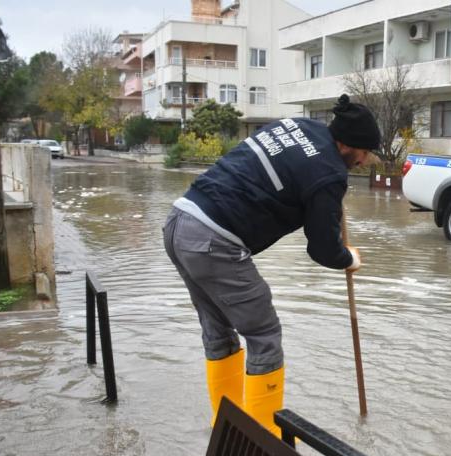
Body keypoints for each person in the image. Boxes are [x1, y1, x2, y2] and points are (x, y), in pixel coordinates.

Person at [163, 94, 381, 434]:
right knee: (264, 335)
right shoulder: (330, 174)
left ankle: (226, 431)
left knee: (219, 332)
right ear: (349, 145)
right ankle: (262, 445)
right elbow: (323, 249)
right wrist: (348, 259)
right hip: (214, 240)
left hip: (180, 222)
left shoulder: (297, 125)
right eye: (366, 153)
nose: (366, 161)